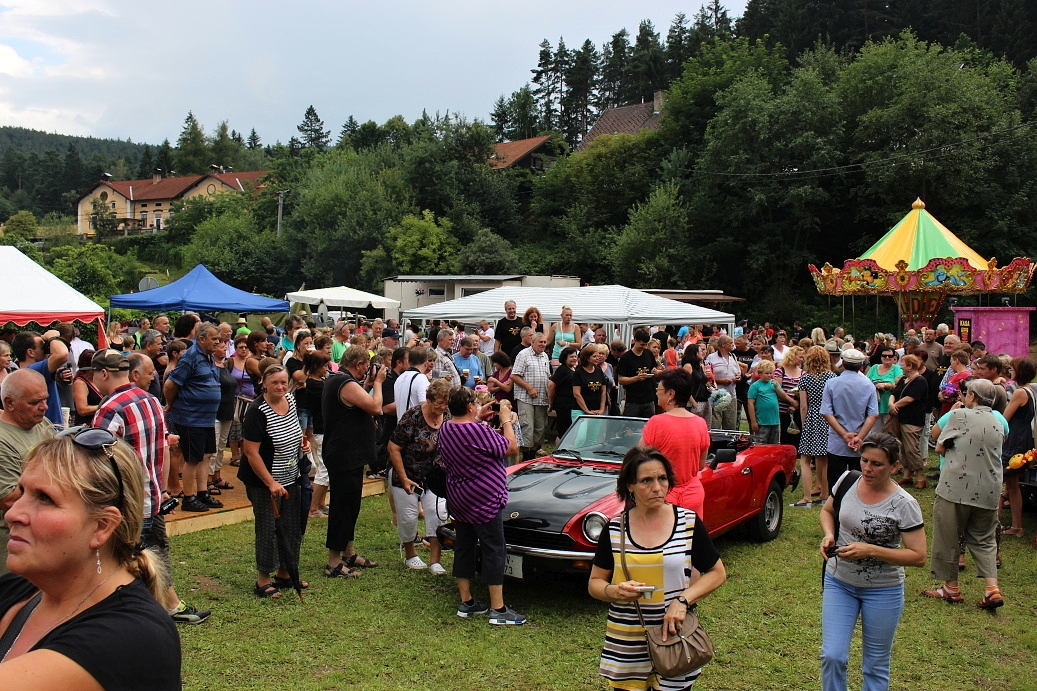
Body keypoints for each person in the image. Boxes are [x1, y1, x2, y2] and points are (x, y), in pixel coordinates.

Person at [0, 430, 181, 688]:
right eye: (21, 491)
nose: (13, 513)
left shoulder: (132, 637)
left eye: (45, 498)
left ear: (102, 526)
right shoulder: (18, 590)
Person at [589, 446, 726, 690]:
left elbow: (717, 573)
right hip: (628, 640)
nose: (657, 487)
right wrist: (615, 591)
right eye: (646, 480)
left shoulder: (688, 523)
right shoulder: (614, 529)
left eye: (662, 478)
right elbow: (595, 582)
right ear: (630, 485)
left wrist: (682, 601)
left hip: (674, 637)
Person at [93, 350, 210, 624]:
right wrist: (164, 487)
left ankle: (140, 615)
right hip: (152, 497)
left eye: (93, 374)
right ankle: (170, 606)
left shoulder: (109, 410)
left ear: (104, 374)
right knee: (155, 555)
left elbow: (99, 465)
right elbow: (162, 451)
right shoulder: (151, 401)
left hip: (128, 504)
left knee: (127, 562)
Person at [819, 433, 927, 691]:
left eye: (877, 464)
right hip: (839, 582)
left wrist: (871, 550)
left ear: (895, 467)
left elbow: (918, 556)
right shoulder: (848, 480)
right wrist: (829, 534)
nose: (867, 468)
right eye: (864, 460)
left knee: (875, 665)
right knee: (832, 656)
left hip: (883, 590)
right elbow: (827, 510)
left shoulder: (904, 504)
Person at [438, 386, 523, 625]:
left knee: (464, 545)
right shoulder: (477, 431)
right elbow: (511, 447)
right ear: (468, 407)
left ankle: (467, 602)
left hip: (459, 495)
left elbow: (467, 428)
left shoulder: (447, 427)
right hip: (484, 497)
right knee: (493, 548)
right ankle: (498, 608)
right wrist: (506, 420)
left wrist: (478, 416)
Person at [923, 379, 1006, 608]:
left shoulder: (959, 416)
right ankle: (992, 588)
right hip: (990, 487)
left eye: (966, 393)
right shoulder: (999, 421)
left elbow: (939, 445)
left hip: (956, 487)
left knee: (948, 535)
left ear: (973, 396)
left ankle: (951, 587)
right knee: (985, 539)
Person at [239, 364, 310, 597]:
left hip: (291, 475)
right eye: (275, 383)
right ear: (264, 384)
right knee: (268, 528)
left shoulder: (290, 399)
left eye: (283, 382)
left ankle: (285, 572)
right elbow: (250, 452)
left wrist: (302, 441)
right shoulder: (257, 411)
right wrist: (270, 482)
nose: (280, 386)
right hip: (264, 481)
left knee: (291, 526)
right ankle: (263, 579)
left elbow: (294, 426)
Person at [321, 345, 384, 578]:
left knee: (351, 506)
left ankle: (348, 552)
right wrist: (377, 383)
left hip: (348, 454)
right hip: (344, 455)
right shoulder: (344, 383)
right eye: (366, 365)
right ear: (358, 365)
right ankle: (333, 562)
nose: (369, 369)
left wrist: (366, 385)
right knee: (342, 507)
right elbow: (376, 407)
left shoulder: (339, 380)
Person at [388, 378, 451, 574]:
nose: (442, 406)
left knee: (437, 515)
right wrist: (403, 477)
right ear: (429, 399)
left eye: (446, 402)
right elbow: (393, 447)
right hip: (407, 473)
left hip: (435, 475)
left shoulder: (448, 415)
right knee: (408, 517)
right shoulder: (413, 416)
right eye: (439, 402)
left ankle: (435, 560)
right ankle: (410, 554)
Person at [0, 369, 56, 575]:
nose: (44, 407)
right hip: (13, 550)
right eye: (34, 402)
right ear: (10, 403)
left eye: (45, 399)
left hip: (42, 544)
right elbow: (9, 500)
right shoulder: (2, 440)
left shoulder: (43, 425)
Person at [163, 322, 222, 513]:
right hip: (191, 417)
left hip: (206, 418)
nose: (218, 342)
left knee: (205, 455)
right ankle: (188, 498)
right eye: (214, 339)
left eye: (218, 339)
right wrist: (170, 404)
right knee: (192, 458)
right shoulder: (191, 357)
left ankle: (202, 492)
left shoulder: (208, 356)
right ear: (201, 338)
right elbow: (170, 384)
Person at [641, 369, 710, 520]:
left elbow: (638, 462)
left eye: (659, 389)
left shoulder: (656, 422)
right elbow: (700, 465)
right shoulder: (700, 423)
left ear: (670, 394)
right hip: (693, 494)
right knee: (689, 541)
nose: (656, 393)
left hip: (662, 495)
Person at [821, 349, 879, 495]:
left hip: (837, 441)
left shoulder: (831, 383)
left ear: (843, 363)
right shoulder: (868, 385)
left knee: (834, 486)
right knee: (860, 483)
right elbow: (873, 415)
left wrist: (844, 434)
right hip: (860, 442)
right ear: (861, 365)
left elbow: (827, 413)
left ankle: (834, 512)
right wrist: (859, 436)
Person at [999, 357, 1036, 538]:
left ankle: (993, 525)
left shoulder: (1020, 393)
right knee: (1013, 485)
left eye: (1013, 369)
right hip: (1024, 440)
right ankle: (1017, 526)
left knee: (998, 481)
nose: (1010, 371)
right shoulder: (1030, 390)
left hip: (1014, 441)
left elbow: (1004, 418)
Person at [887, 354, 929, 489]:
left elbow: (910, 398)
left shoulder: (920, 381)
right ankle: (907, 475)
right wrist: (891, 404)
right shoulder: (904, 379)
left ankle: (921, 476)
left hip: (913, 420)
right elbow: (894, 392)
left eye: (903, 364)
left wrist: (895, 406)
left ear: (910, 366)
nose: (901, 366)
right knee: (904, 448)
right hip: (901, 418)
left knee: (912, 448)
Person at [511, 333, 551, 461]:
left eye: (545, 342)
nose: (543, 344)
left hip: (541, 398)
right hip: (525, 397)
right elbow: (514, 375)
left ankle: (533, 459)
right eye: (540, 342)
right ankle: (526, 459)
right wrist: (529, 388)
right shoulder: (523, 355)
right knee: (527, 427)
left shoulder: (545, 356)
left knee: (540, 429)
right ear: (533, 342)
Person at [617, 328, 663, 419]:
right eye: (642, 344)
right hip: (633, 401)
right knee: (630, 428)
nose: (644, 347)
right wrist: (636, 378)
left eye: (646, 344)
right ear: (634, 341)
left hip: (649, 399)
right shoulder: (626, 358)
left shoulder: (648, 354)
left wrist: (656, 371)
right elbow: (621, 379)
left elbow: (655, 369)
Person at [705, 335, 742, 430]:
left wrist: (738, 378)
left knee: (730, 425)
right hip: (717, 395)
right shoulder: (711, 358)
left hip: (732, 395)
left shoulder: (733, 356)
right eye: (731, 343)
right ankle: (716, 444)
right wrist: (721, 381)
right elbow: (707, 377)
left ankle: (729, 444)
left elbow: (738, 373)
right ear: (724, 345)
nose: (733, 345)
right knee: (715, 425)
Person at [867, 346, 902, 430]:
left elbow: (900, 385)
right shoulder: (874, 367)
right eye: (884, 356)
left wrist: (886, 385)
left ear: (894, 358)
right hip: (874, 406)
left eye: (890, 356)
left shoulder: (897, 369)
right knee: (874, 432)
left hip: (888, 406)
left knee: (887, 432)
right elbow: (865, 382)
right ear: (881, 357)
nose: (887, 358)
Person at [548, 346, 579, 441]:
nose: (574, 358)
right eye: (571, 357)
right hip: (564, 404)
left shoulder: (573, 369)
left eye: (575, 356)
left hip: (572, 404)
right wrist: (551, 402)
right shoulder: (562, 370)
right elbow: (551, 385)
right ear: (564, 358)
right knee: (563, 431)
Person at [572, 344, 608, 422]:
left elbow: (603, 391)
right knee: (581, 434)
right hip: (580, 410)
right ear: (588, 358)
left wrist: (601, 409)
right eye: (594, 356)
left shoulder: (598, 370)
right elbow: (577, 394)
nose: (597, 358)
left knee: (594, 434)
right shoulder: (578, 372)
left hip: (597, 411)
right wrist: (587, 411)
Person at [747, 360, 781, 443]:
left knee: (775, 444)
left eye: (771, 373)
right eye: (767, 373)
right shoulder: (755, 386)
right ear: (760, 374)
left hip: (775, 421)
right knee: (760, 443)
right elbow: (750, 404)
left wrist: (777, 387)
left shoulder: (774, 384)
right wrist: (753, 422)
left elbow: (783, 396)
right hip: (762, 422)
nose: (769, 375)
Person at [70, 350, 101, 426]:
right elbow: (82, 410)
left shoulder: (97, 380)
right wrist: (103, 406)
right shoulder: (80, 383)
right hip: (85, 427)